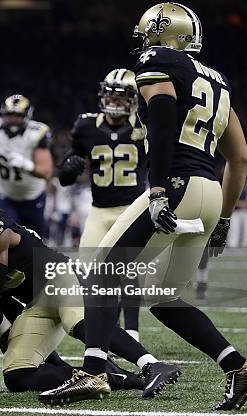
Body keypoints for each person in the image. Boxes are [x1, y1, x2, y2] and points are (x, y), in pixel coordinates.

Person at [39, 3, 247, 410]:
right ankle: (237, 365)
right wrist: (225, 216)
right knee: (162, 296)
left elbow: (161, 124)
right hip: (210, 189)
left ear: (160, 33)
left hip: (174, 184)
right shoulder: (216, 80)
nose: (143, 42)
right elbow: (241, 157)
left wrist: (158, 189)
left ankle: (93, 372)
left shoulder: (158, 60)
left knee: (101, 270)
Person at [0, 176, 181, 397]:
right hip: (37, 303)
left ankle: (152, 365)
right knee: (17, 375)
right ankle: (113, 377)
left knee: (79, 323)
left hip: (61, 277)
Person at [59, 68, 148, 341]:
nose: (113, 101)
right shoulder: (85, 126)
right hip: (99, 209)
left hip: (131, 208)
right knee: (89, 271)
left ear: (133, 99)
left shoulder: (144, 127)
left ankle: (131, 330)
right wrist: (70, 168)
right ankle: (108, 328)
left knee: (126, 268)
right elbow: (65, 178)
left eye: (120, 97)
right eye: (109, 94)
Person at [0, 94, 53, 236]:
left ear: (27, 116)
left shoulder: (36, 133)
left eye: (18, 115)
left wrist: (27, 166)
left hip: (32, 196)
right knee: (2, 236)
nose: (13, 120)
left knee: (35, 241)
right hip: (4, 195)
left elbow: (46, 171)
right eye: (10, 115)